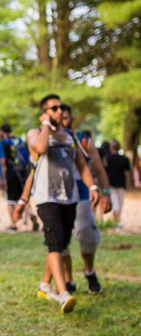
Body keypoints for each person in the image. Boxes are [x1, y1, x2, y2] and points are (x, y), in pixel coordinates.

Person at [14, 94, 111, 313]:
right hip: (46, 197)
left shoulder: (70, 136)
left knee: (61, 241)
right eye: (54, 108)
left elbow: (83, 166)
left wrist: (94, 187)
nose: (60, 111)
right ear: (44, 112)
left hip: (70, 196)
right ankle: (63, 292)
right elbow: (38, 151)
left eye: (60, 108)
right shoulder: (35, 134)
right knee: (55, 243)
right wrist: (46, 126)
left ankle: (44, 285)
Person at [59, 104, 111, 294]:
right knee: (60, 242)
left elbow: (99, 170)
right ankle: (68, 279)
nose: (62, 121)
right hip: (56, 196)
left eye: (65, 117)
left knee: (86, 235)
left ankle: (89, 271)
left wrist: (106, 193)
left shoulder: (82, 140)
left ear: (71, 118)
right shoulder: (45, 139)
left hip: (81, 194)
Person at [0, 124, 25, 232]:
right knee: (23, 199)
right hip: (23, 173)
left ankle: (13, 224)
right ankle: (32, 217)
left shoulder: (3, 143)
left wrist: (2, 178)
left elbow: (2, 161)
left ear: (2, 132)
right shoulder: (19, 141)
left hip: (10, 173)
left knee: (10, 201)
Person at [105, 140, 132, 228]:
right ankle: (117, 220)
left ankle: (116, 220)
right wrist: (128, 184)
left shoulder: (107, 158)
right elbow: (127, 173)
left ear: (111, 148)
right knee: (120, 203)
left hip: (111, 184)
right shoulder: (125, 159)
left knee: (115, 203)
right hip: (121, 184)